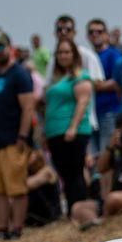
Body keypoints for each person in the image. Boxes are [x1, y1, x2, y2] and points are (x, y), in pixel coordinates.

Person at [0, 31, 37, 239]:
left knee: (16, 188)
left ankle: (17, 228)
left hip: (13, 140)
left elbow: (28, 107)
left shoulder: (19, 74)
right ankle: (2, 229)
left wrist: (23, 136)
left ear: (9, 47)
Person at [43, 36, 94, 215]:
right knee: (64, 174)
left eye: (66, 52)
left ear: (74, 54)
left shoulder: (81, 76)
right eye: (60, 53)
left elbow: (82, 102)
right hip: (54, 132)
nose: (63, 56)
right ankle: (73, 210)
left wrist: (73, 127)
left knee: (75, 172)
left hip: (73, 131)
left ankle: (80, 210)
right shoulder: (56, 79)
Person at [84, 18, 122, 166]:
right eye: (91, 32)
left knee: (107, 151)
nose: (95, 35)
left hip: (109, 111)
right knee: (92, 156)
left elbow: (118, 80)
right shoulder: (87, 57)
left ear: (106, 34)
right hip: (90, 113)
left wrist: (97, 86)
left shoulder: (114, 55)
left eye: (99, 31)